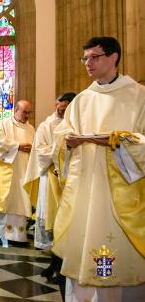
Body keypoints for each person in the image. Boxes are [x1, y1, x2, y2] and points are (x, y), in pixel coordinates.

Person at [51, 36, 145, 300]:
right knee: (84, 248)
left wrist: (118, 141)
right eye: (85, 58)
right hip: (87, 189)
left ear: (114, 57)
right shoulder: (81, 100)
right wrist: (66, 142)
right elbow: (61, 137)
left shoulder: (138, 95)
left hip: (122, 194)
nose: (87, 63)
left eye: (95, 57)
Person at [23, 92, 76, 283]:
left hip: (72, 178)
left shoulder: (76, 123)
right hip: (51, 175)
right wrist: (58, 156)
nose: (60, 112)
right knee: (53, 219)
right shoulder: (46, 126)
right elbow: (40, 150)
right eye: (59, 108)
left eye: (65, 110)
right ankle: (56, 261)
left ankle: (66, 258)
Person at [0, 100, 35, 246]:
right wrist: (17, 147)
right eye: (24, 112)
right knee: (3, 201)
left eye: (29, 112)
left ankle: (16, 236)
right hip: (7, 170)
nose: (27, 115)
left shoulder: (31, 129)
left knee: (21, 201)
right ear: (16, 110)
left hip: (23, 171)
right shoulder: (4, 125)